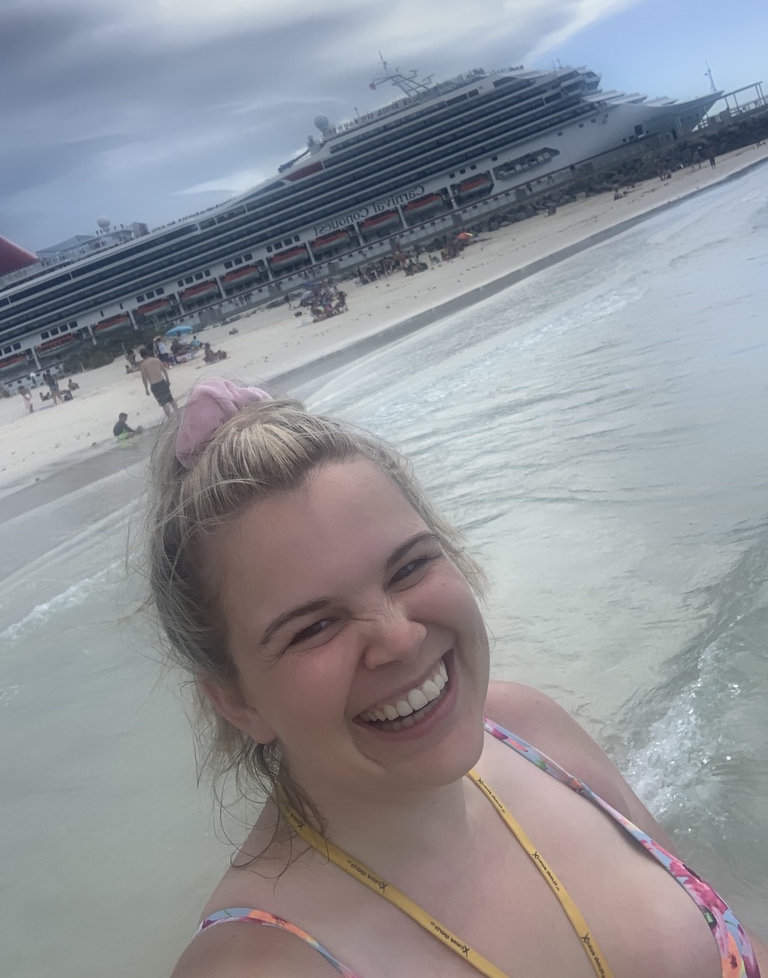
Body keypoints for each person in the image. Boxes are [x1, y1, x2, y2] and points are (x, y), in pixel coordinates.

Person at [149, 379, 766, 978]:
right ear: (236, 701)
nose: (400, 637)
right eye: (313, 628)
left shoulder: (527, 727)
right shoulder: (260, 964)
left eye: (410, 566)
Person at [139, 346, 178, 417]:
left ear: (141, 355)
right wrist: (167, 379)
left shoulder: (143, 365)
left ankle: (170, 417)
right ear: (147, 353)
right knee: (170, 399)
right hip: (162, 382)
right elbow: (164, 370)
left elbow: (144, 378)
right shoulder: (156, 360)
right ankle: (178, 414)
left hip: (155, 385)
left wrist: (146, 389)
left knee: (163, 403)